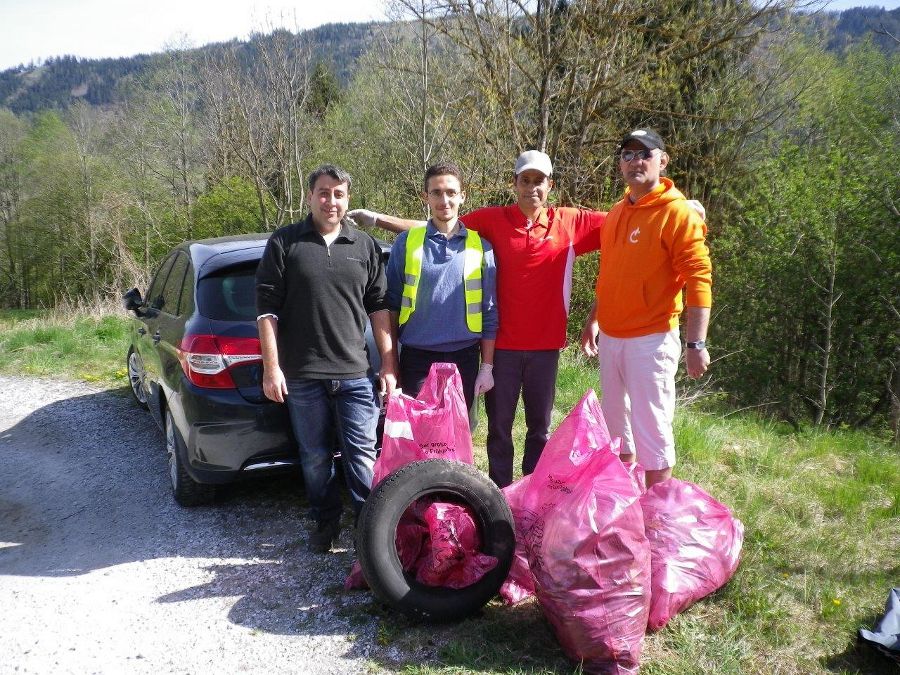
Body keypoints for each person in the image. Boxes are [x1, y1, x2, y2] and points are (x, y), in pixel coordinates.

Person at [350, 151, 606, 488]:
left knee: (538, 428)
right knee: (496, 428)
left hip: (543, 346)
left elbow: (626, 225)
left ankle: (530, 497)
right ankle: (496, 496)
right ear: (514, 183)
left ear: (550, 185)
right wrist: (379, 220)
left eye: (539, 181)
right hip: (499, 348)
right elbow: (439, 226)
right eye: (525, 180)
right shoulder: (491, 220)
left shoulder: (570, 222)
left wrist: (674, 208)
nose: (532, 187)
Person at [255, 164, 398, 553]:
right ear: (309, 196)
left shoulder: (365, 246)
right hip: (303, 376)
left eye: (338, 194)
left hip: (355, 373)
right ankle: (325, 523)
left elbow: (381, 311)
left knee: (362, 458)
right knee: (315, 459)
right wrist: (272, 367)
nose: (330, 200)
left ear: (347, 199)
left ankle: (372, 535)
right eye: (323, 192)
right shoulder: (285, 243)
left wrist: (388, 364)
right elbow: (266, 311)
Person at [580, 128, 712, 488]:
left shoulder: (677, 213)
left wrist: (696, 344)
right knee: (617, 429)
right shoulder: (618, 212)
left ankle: (658, 518)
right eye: (627, 155)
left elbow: (699, 278)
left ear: (662, 161)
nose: (634, 161)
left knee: (652, 432)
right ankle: (625, 504)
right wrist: (594, 319)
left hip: (651, 341)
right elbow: (612, 274)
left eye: (644, 154)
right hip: (611, 336)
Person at [384, 162, 498, 415]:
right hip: (417, 359)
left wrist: (486, 367)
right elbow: (390, 306)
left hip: (465, 358)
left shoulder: (482, 248)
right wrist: (390, 363)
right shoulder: (406, 243)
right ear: (425, 196)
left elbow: (489, 312)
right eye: (436, 192)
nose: (444, 200)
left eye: (450, 192)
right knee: (422, 441)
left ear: (462, 195)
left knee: (457, 440)